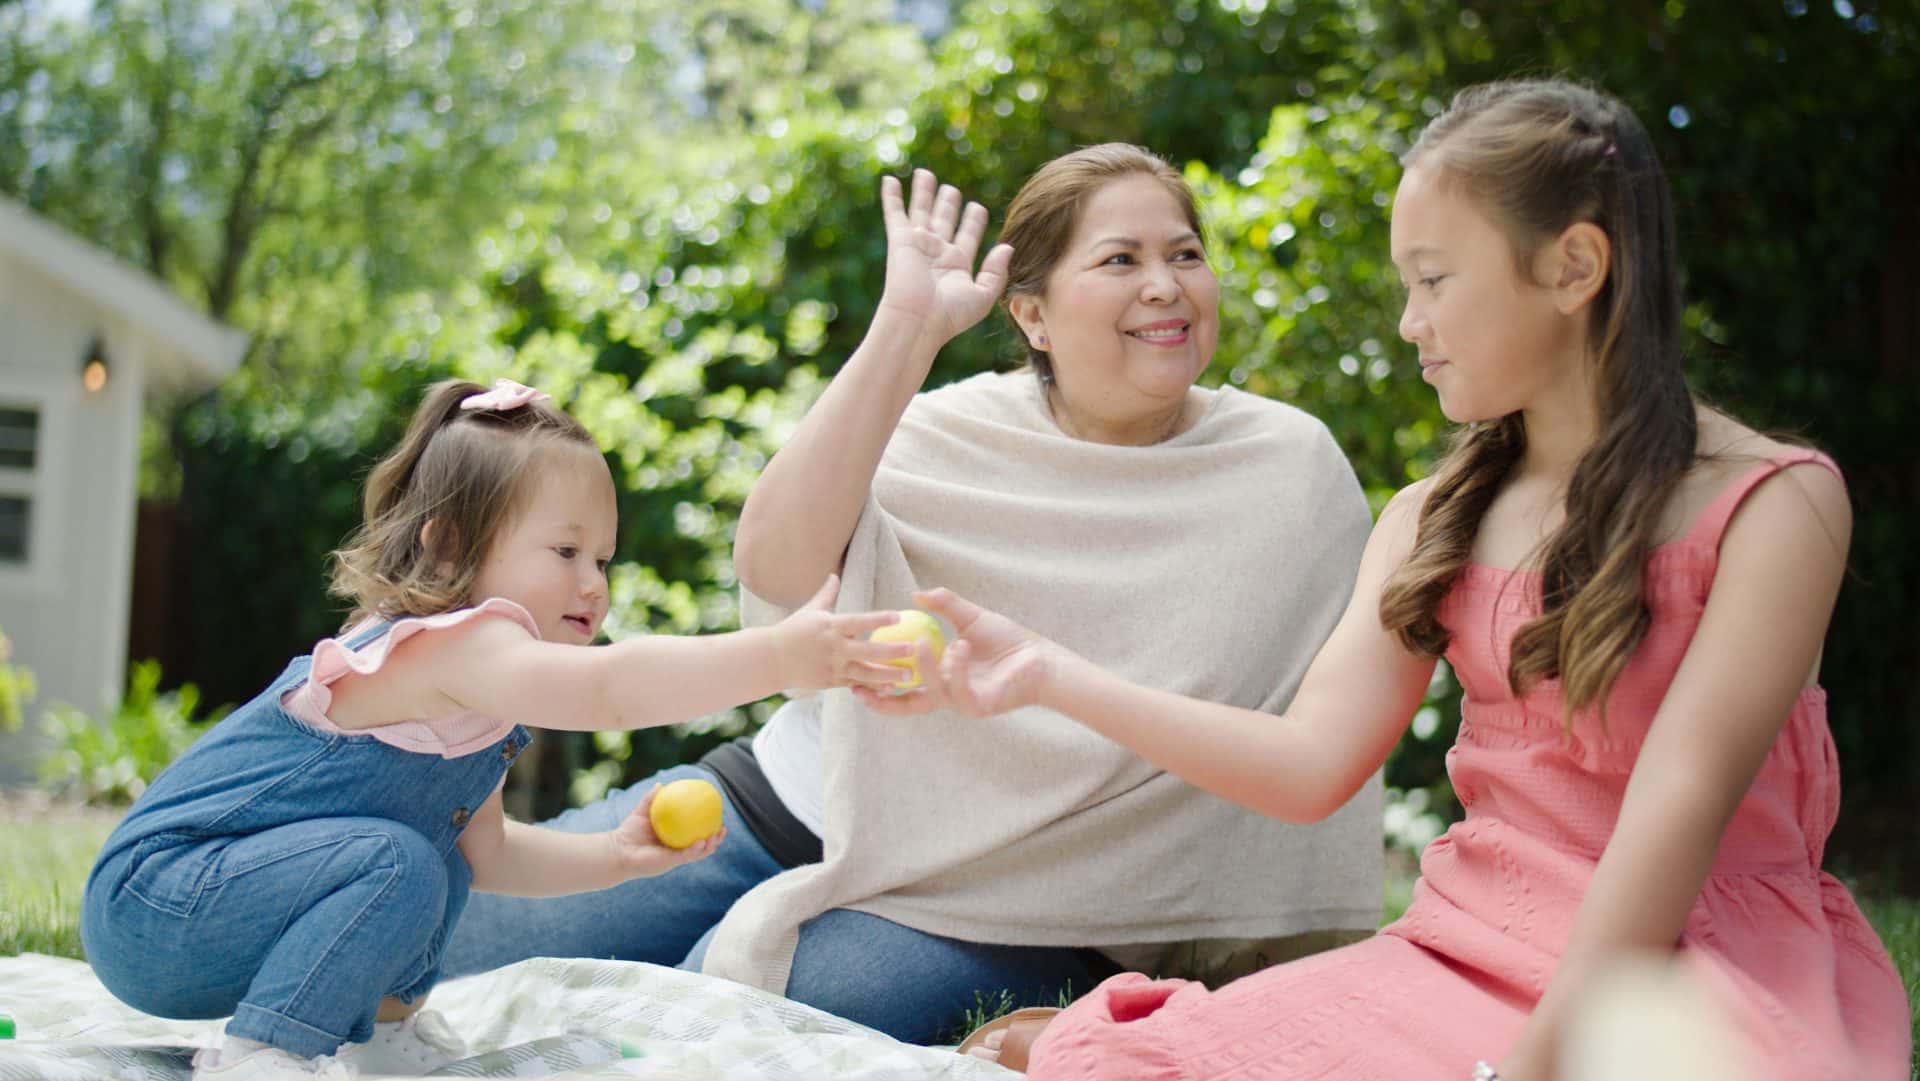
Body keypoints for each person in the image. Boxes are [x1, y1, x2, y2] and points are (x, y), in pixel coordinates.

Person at [897, 80, 1911, 1080]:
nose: (1408, 323)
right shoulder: (1432, 517)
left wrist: (1539, 1065)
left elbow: (1675, 812)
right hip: (1466, 951)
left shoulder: (1776, 504)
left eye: (1434, 280)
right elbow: (1306, 765)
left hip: (1699, 976)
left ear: (1573, 267)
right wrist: (1046, 674)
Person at [441, 146, 1385, 1043]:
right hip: (778, 811)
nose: (1165, 284)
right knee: (423, 948)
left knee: (691, 1039)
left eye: (1186, 254)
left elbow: (1307, 747)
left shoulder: (1286, 470)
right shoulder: (950, 431)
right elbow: (774, 564)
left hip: (1018, 907)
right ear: (1033, 316)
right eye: (1121, 258)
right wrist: (908, 329)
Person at [79, 378, 908, 1081]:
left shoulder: (480, 705)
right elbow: (612, 690)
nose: (592, 583)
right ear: (448, 546)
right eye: (565, 550)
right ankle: (264, 1051)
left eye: (604, 559)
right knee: (397, 858)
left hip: (218, 914)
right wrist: (777, 654)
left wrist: (617, 856)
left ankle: (386, 1030)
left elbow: (494, 854)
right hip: (155, 902)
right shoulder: (453, 648)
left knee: (435, 857)